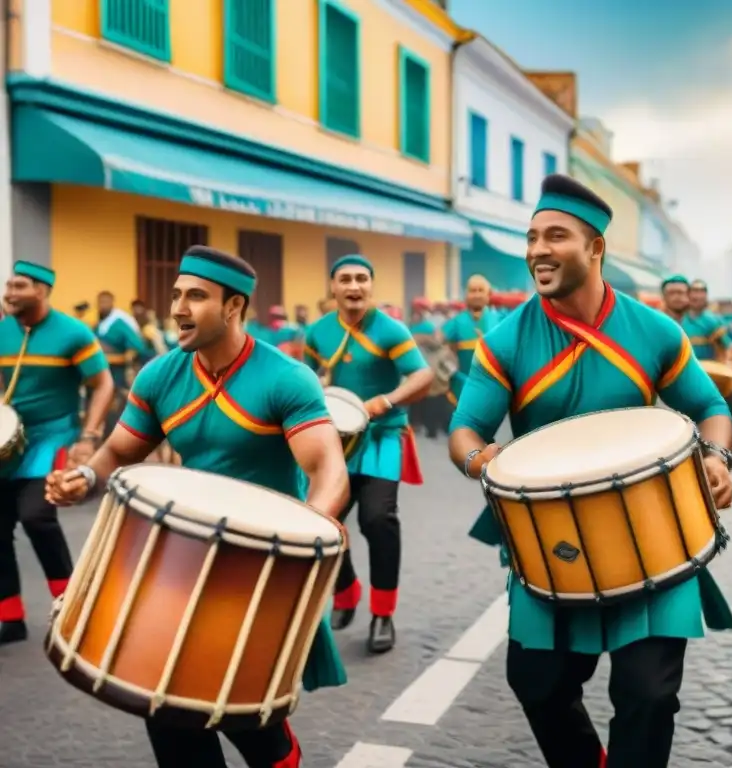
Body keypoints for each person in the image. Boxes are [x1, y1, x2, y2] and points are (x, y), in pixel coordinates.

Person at [449, 174, 732, 768]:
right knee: (537, 684)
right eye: (531, 238)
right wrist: (487, 459)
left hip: (653, 532)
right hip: (553, 539)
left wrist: (716, 457)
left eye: (555, 236)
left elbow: (710, 408)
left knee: (649, 694)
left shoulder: (655, 330)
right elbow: (464, 433)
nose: (536, 250)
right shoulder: (504, 341)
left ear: (596, 247)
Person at [46, 245, 349, 768]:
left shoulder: (286, 378)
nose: (179, 308)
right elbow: (121, 450)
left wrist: (313, 532)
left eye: (196, 297)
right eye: (177, 295)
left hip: (262, 562)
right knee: (165, 707)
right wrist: (86, 476)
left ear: (234, 307)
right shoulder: (160, 376)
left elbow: (328, 470)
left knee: (252, 724)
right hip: (181, 560)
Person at [304, 254, 434, 653]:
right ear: (333, 286)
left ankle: (383, 614)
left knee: (377, 519)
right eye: (346, 279)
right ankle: (345, 591)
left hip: (381, 436)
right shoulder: (317, 333)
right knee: (322, 520)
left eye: (362, 278)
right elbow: (308, 381)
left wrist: (387, 401)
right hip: (336, 440)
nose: (354, 286)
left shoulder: (390, 330)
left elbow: (423, 375)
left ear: (371, 286)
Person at [0, 261, 115, 645]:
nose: (9, 292)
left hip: (54, 436)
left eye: (19, 286)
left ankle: (71, 607)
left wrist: (89, 436)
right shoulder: (3, 331)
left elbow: (102, 385)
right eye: (8, 286)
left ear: (42, 291)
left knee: (36, 516)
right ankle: (11, 617)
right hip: (9, 439)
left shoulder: (73, 333)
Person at [442, 274, 502, 404]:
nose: (477, 295)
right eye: (473, 291)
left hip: (491, 385)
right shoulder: (456, 322)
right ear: (466, 295)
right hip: (462, 385)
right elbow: (438, 342)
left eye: (481, 290)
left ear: (488, 295)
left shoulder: (499, 320)